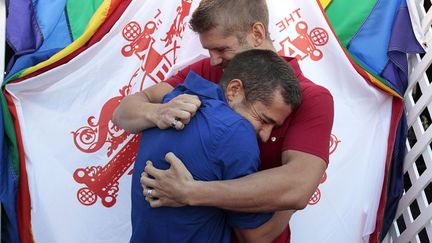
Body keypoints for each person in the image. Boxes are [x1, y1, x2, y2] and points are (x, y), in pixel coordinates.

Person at [113, 0, 334, 242]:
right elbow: (123, 112)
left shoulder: (313, 98)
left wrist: (192, 192)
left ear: (257, 33)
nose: (215, 60)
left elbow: (298, 186)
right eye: (209, 51)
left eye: (221, 49)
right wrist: (157, 113)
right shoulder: (209, 71)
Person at [130, 49, 301, 243]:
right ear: (234, 90)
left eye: (274, 127)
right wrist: (292, 200)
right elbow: (255, 237)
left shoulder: (173, 101)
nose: (265, 135)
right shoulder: (237, 132)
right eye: (263, 119)